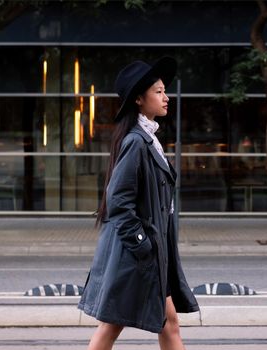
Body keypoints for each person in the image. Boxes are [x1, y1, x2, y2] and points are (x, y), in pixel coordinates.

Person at [78, 57, 199, 350]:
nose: (166, 96)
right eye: (158, 91)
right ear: (139, 99)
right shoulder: (136, 141)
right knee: (112, 325)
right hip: (135, 256)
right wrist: (143, 244)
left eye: (164, 90)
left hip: (150, 254)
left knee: (169, 322)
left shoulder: (147, 139)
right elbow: (119, 201)